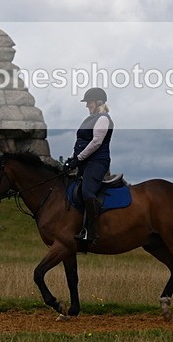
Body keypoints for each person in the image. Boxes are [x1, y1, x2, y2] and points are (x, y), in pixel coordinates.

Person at [66, 87, 114, 244]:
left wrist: (78, 158)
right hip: (85, 162)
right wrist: (71, 159)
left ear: (98, 102)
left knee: (87, 191)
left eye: (89, 102)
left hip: (98, 162)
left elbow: (96, 142)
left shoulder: (103, 119)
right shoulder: (90, 119)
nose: (87, 105)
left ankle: (91, 232)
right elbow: (81, 143)